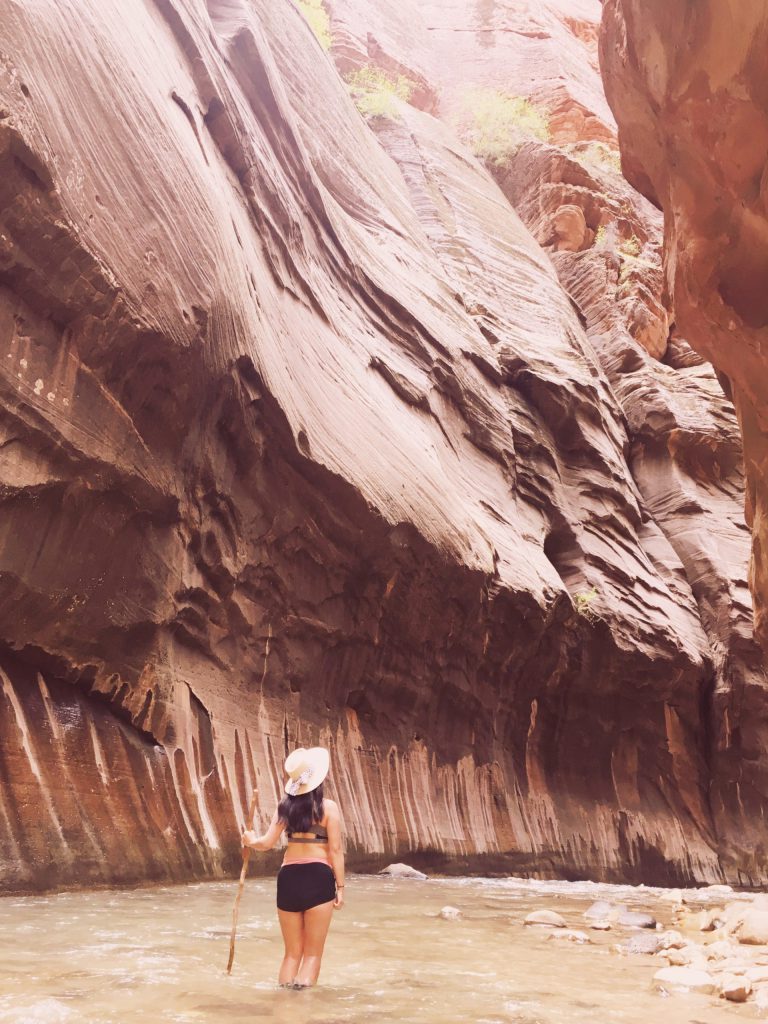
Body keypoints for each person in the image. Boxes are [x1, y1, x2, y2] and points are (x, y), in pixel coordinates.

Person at [241, 746, 344, 988]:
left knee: (291, 954)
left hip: (288, 879)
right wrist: (340, 886)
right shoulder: (329, 808)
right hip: (318, 878)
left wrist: (249, 839)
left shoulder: (285, 807)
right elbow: (336, 850)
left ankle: (285, 1007)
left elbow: (265, 843)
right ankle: (302, 1009)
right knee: (312, 955)